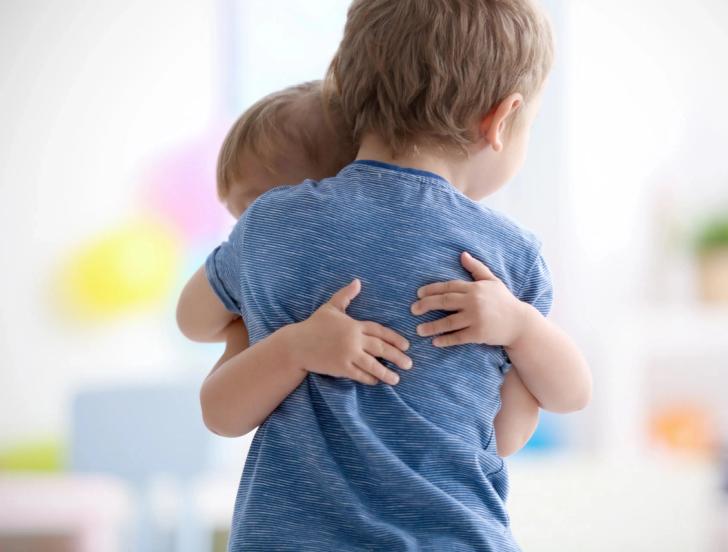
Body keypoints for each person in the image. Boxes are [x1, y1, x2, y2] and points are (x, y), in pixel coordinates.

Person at [177, 0, 592, 549]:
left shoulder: (273, 224)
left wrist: (272, 333)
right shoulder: (509, 258)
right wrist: (520, 329)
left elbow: (192, 321)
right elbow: (526, 423)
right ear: (500, 119)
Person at [193, 80, 543, 458]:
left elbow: (198, 341)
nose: (245, 237)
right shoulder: (485, 260)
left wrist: (249, 331)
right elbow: (505, 439)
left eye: (250, 213)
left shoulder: (274, 245)